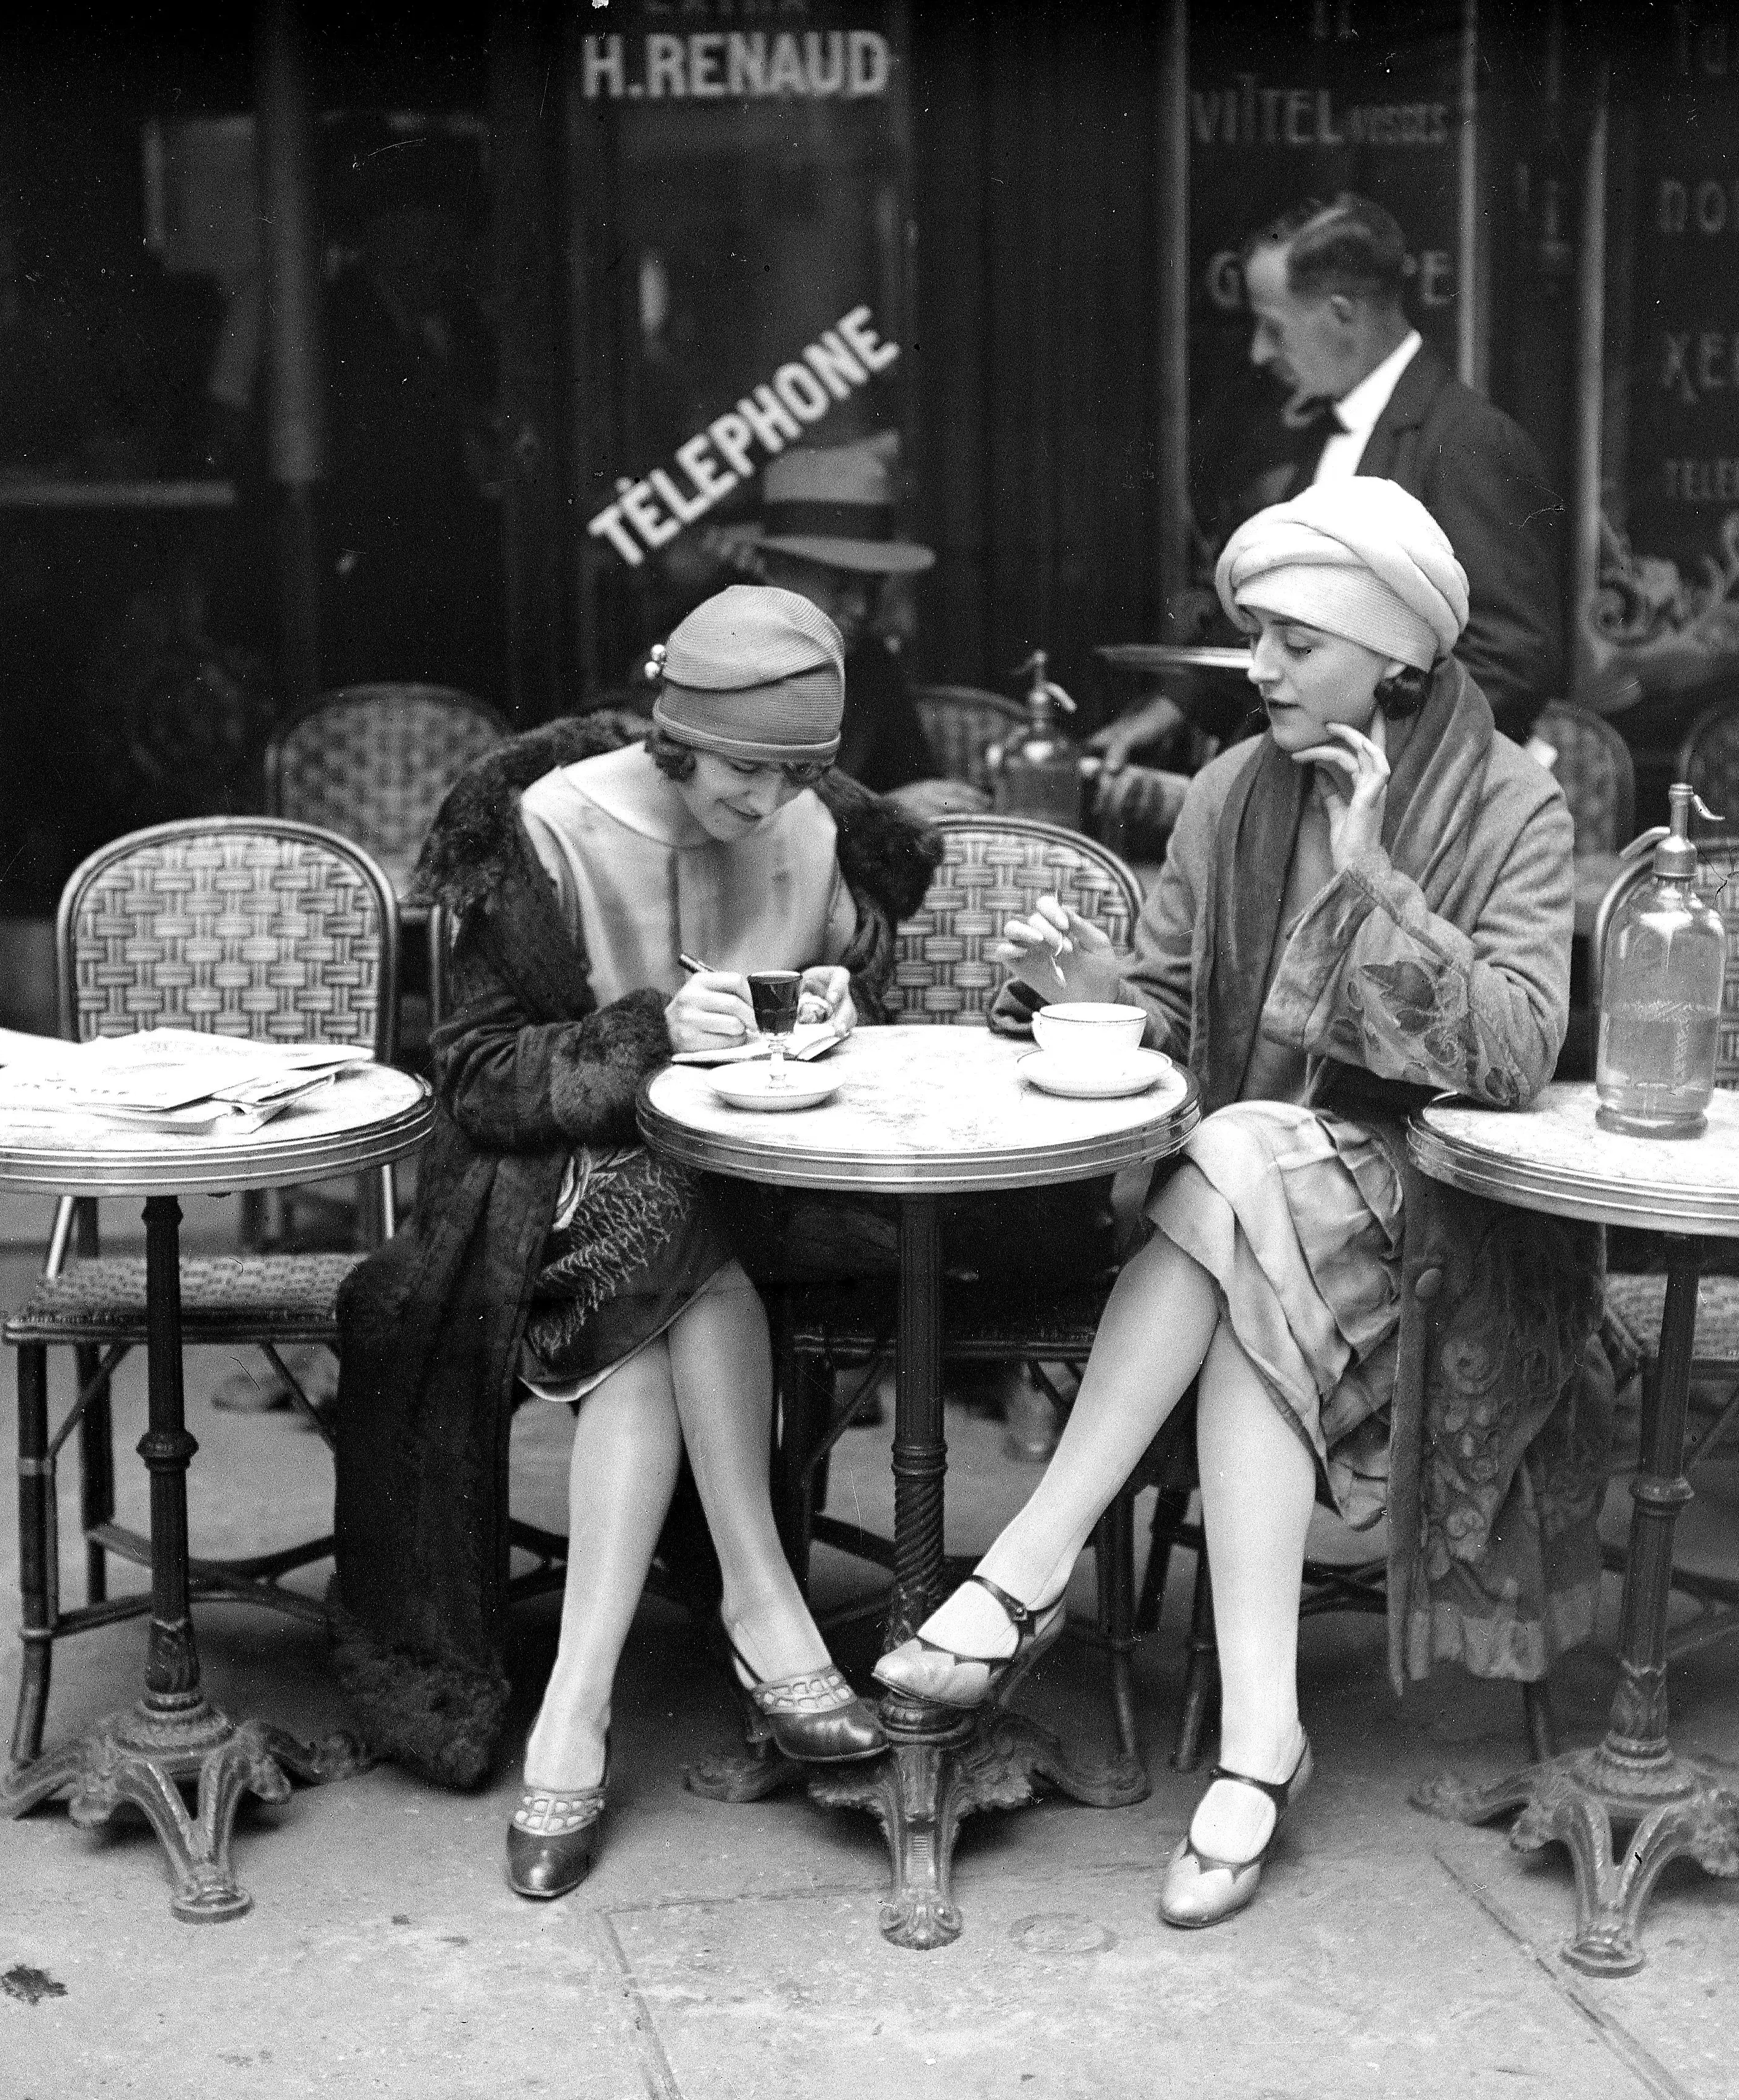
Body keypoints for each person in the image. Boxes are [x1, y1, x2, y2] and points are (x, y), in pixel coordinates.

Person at [875, 479, 1610, 1930]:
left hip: (1447, 1213)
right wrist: (1091, 993)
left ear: (1393, 656)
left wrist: (1371, 875)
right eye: (1254, 636)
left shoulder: (1517, 804)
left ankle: (1032, 1562)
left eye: (1291, 641)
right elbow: (1160, 1004)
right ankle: (1261, 1735)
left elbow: (1521, 1051)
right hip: (1259, 1213)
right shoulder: (1227, 793)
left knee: (1234, 1172)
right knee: (1244, 1197)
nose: (1258, 669)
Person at [328, 586, 942, 1899]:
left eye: (798, 774)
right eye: (742, 769)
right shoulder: (546, 828)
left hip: (748, 1189)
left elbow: (834, 1018)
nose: (767, 803)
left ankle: (578, 1707)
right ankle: (759, 1603)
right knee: (675, 1234)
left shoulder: (812, 828)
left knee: (680, 1246)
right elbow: (480, 1080)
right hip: (532, 1191)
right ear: (673, 734)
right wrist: (651, 1036)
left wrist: (829, 1004)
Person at [1091, 194, 1565, 768]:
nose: (1259, 352)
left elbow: (1513, 661)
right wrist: (1176, 706)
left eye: (1272, 327)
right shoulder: (1320, 429)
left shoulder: (1468, 442)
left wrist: (1362, 757)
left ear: (1343, 314)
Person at [744, 443, 945, 798]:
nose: (861, 609)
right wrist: (883, 812)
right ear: (774, 571)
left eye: (873, 588)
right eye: (840, 586)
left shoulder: (870, 664)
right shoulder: (715, 664)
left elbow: (916, 779)